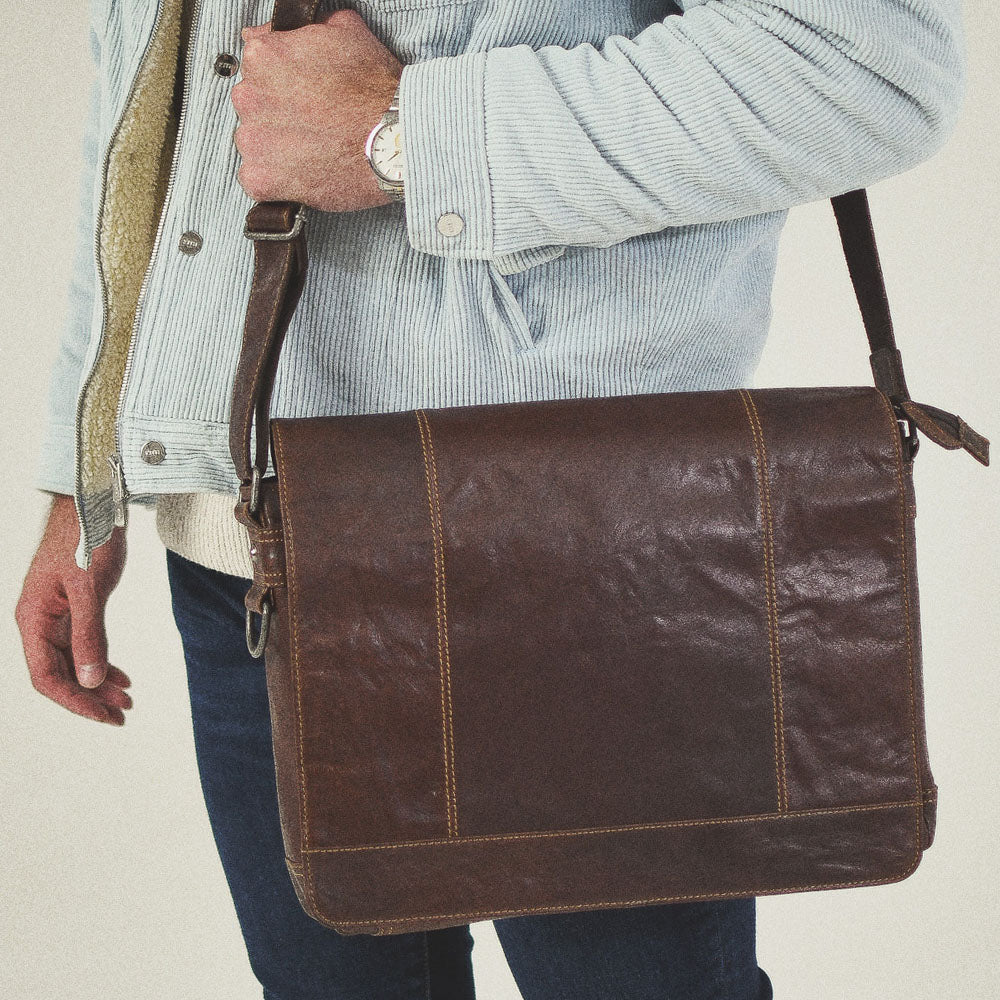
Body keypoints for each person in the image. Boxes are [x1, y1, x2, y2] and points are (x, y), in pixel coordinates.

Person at [15, 0, 967, 997]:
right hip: (249, 552)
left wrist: (406, 135)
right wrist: (85, 477)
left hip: (568, 561)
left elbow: (869, 65)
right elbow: (141, 121)